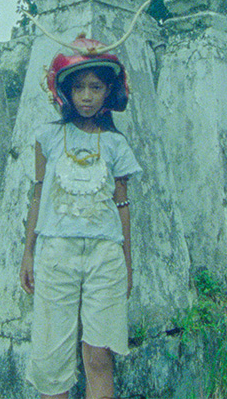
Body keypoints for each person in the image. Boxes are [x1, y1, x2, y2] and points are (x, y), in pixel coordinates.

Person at [19, 35, 141, 399]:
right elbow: (39, 194)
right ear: (66, 93)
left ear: (108, 92)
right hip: (56, 253)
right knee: (52, 358)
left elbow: (122, 205)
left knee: (99, 354)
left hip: (105, 256)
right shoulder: (50, 137)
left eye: (96, 87)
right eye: (80, 87)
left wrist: (127, 261)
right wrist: (29, 252)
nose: (87, 95)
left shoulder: (117, 145)